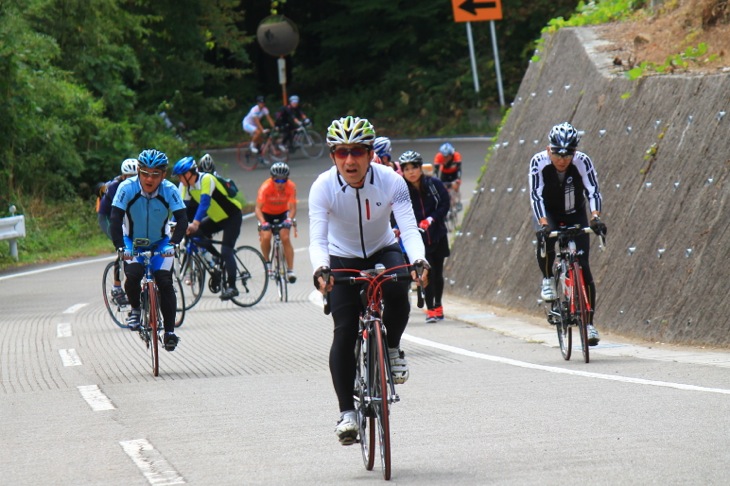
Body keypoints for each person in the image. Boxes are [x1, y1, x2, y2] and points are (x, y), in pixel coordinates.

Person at [309, 116, 430, 445]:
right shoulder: (322, 187)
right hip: (341, 255)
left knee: (397, 286)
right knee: (345, 329)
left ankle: (391, 348)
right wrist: (321, 269)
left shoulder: (391, 181)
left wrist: (419, 260)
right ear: (333, 155)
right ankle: (347, 413)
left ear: (371, 153)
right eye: (342, 152)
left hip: (382, 248)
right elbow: (318, 239)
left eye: (358, 151)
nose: (350, 160)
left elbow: (408, 227)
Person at [529, 122, 607, 346]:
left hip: (575, 213)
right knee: (544, 240)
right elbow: (536, 196)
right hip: (549, 214)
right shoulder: (538, 162)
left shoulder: (583, 161)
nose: (562, 159)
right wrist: (544, 224)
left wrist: (596, 217)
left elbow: (593, 190)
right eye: (557, 153)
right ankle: (547, 279)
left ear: (575, 151)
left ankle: (589, 324)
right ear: (548, 149)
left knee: (583, 265)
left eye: (568, 153)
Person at [110, 149, 188, 351]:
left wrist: (174, 243)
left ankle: (169, 332)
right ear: (138, 171)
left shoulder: (170, 190)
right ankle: (135, 308)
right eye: (145, 173)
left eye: (155, 174)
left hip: (161, 242)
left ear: (163, 174)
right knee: (134, 275)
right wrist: (120, 246)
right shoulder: (126, 188)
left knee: (165, 281)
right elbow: (115, 218)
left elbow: (182, 219)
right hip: (132, 241)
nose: (149, 179)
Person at [172, 156, 244, 301]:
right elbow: (181, 208)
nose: (179, 179)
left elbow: (204, 203)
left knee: (227, 251)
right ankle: (216, 258)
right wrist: (172, 225)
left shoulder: (206, 179)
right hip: (217, 219)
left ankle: (232, 287)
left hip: (232, 216)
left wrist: (195, 223)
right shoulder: (187, 187)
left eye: (180, 176)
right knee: (193, 235)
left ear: (189, 173)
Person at [398, 150, 451, 323]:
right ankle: (431, 308)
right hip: (418, 239)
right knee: (426, 273)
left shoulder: (433, 184)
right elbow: (394, 211)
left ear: (421, 168)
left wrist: (432, 219)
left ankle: (438, 304)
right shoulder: (401, 189)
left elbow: (445, 203)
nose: (411, 172)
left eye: (414, 167)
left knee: (438, 273)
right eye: (406, 169)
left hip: (437, 234)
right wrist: (396, 227)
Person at [98, 158, 138, 306]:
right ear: (123, 176)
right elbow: (109, 214)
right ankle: (116, 287)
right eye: (129, 177)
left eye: (135, 176)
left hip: (127, 219)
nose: (132, 180)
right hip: (109, 219)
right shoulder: (115, 188)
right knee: (123, 250)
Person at [255, 162, 298, 283]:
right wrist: (263, 222)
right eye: (277, 181)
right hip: (266, 214)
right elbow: (257, 209)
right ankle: (267, 263)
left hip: (282, 213)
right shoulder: (265, 187)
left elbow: (293, 208)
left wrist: (289, 219)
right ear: (272, 179)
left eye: (283, 180)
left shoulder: (291, 186)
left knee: (285, 238)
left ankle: (290, 270)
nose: (281, 184)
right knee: (267, 236)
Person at [433, 142, 462, 209]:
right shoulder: (439, 156)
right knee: (441, 187)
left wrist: (458, 179)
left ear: (451, 154)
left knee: (456, 186)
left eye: (447, 156)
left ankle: (458, 202)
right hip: (444, 173)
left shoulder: (457, 156)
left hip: (455, 173)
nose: (445, 158)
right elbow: (436, 171)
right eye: (444, 156)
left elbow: (459, 170)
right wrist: (436, 180)